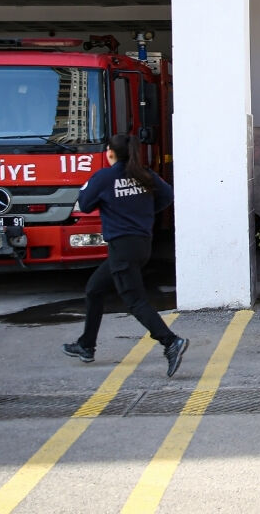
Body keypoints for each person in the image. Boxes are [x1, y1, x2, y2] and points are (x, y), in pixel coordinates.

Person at [63, 133, 190, 376]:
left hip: (122, 247)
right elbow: (167, 195)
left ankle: (170, 341)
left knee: (134, 300)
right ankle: (86, 345)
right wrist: (142, 212)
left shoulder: (104, 177)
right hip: (141, 244)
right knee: (94, 289)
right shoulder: (144, 175)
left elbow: (86, 204)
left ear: (110, 152)